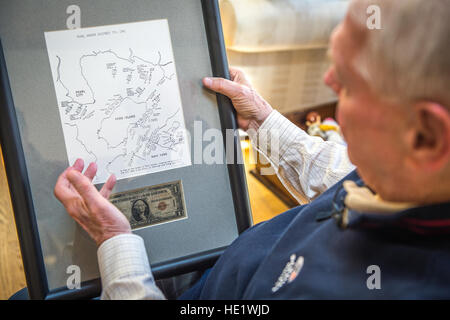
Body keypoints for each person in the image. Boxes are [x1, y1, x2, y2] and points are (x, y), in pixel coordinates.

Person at [54, 0, 450, 299]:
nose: (328, 80)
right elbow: (340, 172)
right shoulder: (410, 175)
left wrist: (114, 241)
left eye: (347, 84)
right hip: (229, 264)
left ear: (426, 136)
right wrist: (261, 119)